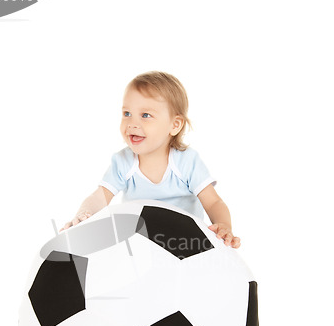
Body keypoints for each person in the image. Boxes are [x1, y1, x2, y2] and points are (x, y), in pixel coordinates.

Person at [59, 71, 241, 248]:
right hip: (140, 242)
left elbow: (213, 202)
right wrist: (84, 214)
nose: (132, 123)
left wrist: (224, 225)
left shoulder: (186, 161)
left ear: (174, 125)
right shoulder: (123, 161)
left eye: (145, 115)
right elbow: (100, 196)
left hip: (184, 241)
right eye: (127, 113)